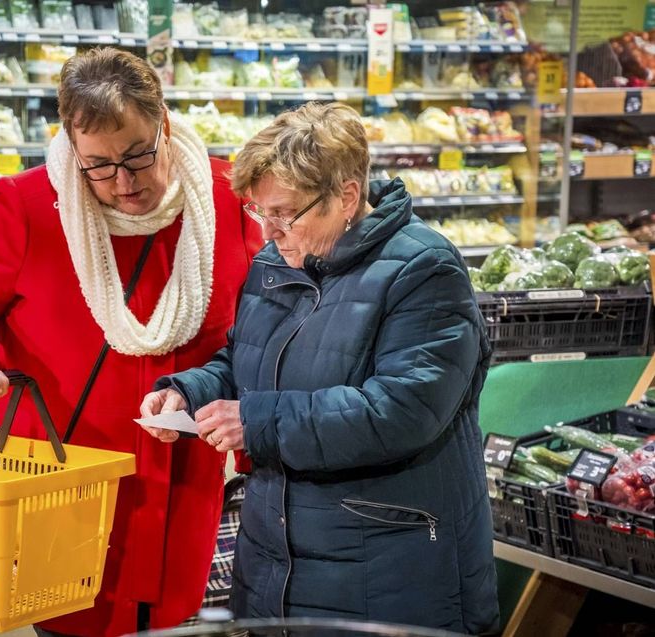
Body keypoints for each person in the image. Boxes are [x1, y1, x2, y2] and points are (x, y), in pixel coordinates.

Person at [0, 47, 263, 637]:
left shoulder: (224, 197)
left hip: (183, 478)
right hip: (67, 481)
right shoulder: (28, 207)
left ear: (166, 126)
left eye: (137, 155)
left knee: (178, 617)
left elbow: (261, 320)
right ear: (71, 149)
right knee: (68, 619)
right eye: (98, 166)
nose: (123, 183)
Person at [140, 102, 500, 634]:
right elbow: (245, 364)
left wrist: (256, 421)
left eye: (285, 213)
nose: (269, 231)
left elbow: (402, 410)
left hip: (389, 568)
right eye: (259, 212)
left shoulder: (425, 270)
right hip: (275, 561)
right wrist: (189, 393)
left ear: (347, 196)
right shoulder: (274, 264)